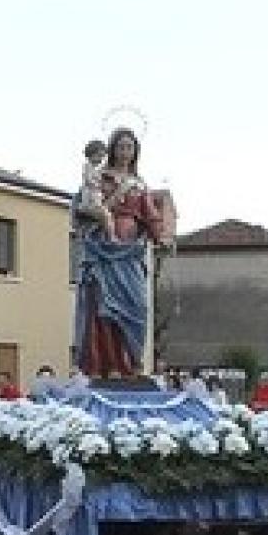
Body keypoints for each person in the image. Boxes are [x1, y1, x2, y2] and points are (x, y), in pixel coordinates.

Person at [72, 127, 169, 378]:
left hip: (131, 253)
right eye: (121, 146)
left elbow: (151, 215)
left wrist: (161, 237)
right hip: (105, 250)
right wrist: (107, 204)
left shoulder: (140, 184)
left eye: (130, 147)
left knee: (137, 306)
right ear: (112, 149)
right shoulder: (99, 177)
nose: (125, 152)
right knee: (105, 308)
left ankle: (133, 362)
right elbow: (84, 207)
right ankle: (110, 365)